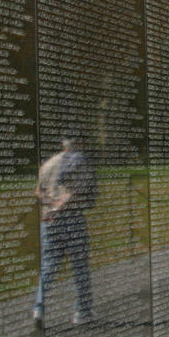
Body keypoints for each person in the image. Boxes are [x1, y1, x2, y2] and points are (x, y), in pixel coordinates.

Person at [33, 133, 98, 326]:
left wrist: (50, 206)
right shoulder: (79, 161)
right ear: (76, 143)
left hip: (49, 220)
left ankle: (39, 307)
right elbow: (77, 191)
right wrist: (59, 206)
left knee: (49, 266)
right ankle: (82, 311)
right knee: (80, 266)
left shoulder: (49, 163)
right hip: (71, 218)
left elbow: (38, 191)